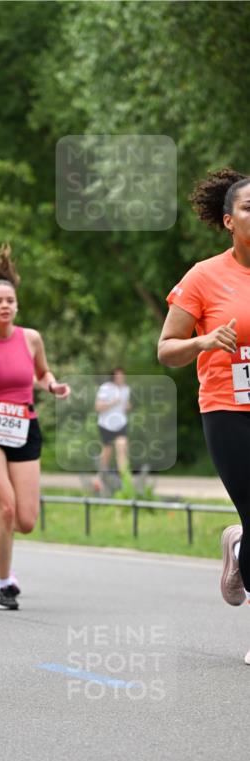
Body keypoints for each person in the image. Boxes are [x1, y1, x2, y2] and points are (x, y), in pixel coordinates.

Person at [158, 168, 250, 665]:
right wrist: (204, 341)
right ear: (229, 220)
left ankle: (239, 546)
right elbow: (166, 349)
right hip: (228, 408)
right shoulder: (204, 277)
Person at [0, 244, 70, 610]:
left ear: (17, 305)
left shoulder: (31, 338)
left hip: (24, 427)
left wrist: (52, 386)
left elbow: (43, 372)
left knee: (25, 520)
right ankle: (3, 584)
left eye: (10, 301)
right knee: (5, 509)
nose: (5, 306)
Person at [93, 366, 131, 494]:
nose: (120, 378)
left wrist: (127, 406)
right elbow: (98, 407)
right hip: (106, 424)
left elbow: (125, 406)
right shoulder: (105, 388)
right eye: (118, 375)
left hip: (121, 423)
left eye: (122, 375)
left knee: (122, 448)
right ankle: (99, 479)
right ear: (113, 377)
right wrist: (112, 402)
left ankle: (125, 479)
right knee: (107, 453)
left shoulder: (126, 389)